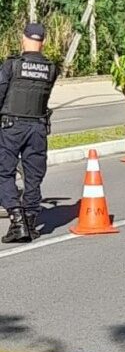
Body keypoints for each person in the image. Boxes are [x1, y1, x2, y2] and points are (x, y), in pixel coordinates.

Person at [0, 23, 58, 243]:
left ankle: (17, 220)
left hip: (12, 126)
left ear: (23, 38)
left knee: (3, 173)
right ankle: (31, 222)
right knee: (33, 176)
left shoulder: (12, 65)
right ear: (43, 42)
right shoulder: (52, 68)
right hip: (38, 128)